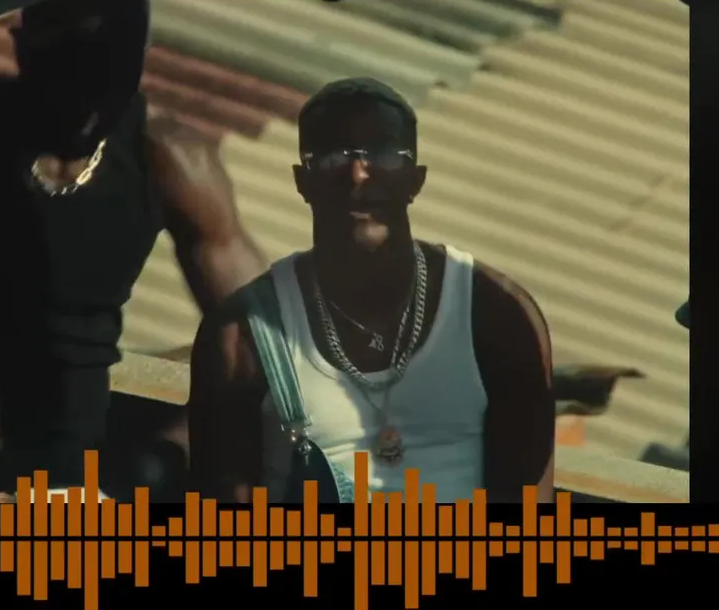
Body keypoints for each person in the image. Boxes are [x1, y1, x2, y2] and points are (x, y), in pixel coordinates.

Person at [0, 0, 266, 502]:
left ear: (137, 58)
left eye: (103, 82)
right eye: (67, 79)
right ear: (23, 48)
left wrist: (169, 454)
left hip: (61, 482)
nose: (85, 113)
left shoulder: (169, 158)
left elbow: (269, 341)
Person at [188, 77, 555, 504]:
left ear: (416, 179)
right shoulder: (244, 335)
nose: (358, 174)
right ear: (302, 181)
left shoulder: (494, 316)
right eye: (331, 156)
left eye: (383, 154)